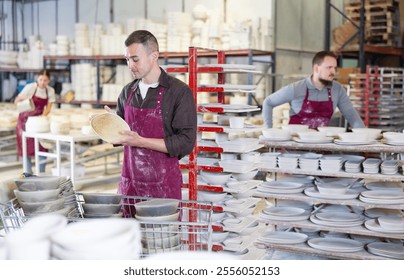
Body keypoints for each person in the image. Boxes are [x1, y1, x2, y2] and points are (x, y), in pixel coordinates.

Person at [105, 30, 197, 210]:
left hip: (162, 187)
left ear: (154, 55)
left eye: (135, 59)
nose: (130, 65)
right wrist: (107, 124)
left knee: (160, 237)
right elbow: (121, 136)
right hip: (129, 185)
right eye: (127, 59)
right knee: (130, 235)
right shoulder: (127, 92)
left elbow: (185, 143)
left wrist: (141, 141)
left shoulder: (178, 92)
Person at [262, 51, 365, 129]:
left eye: (335, 68)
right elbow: (268, 102)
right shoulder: (296, 88)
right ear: (316, 68)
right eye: (329, 67)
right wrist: (268, 130)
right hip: (294, 149)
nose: (333, 72)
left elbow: (352, 116)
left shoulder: (337, 90)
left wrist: (365, 136)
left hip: (321, 148)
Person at [15, 69, 55, 174]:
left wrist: (42, 117)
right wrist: (22, 98)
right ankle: (27, 173)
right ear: (37, 78)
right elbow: (16, 101)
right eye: (41, 79)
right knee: (26, 148)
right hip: (25, 121)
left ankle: (41, 173)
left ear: (49, 81)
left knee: (42, 146)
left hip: (38, 121)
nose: (42, 82)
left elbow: (48, 108)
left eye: (45, 80)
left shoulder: (50, 91)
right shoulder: (31, 87)